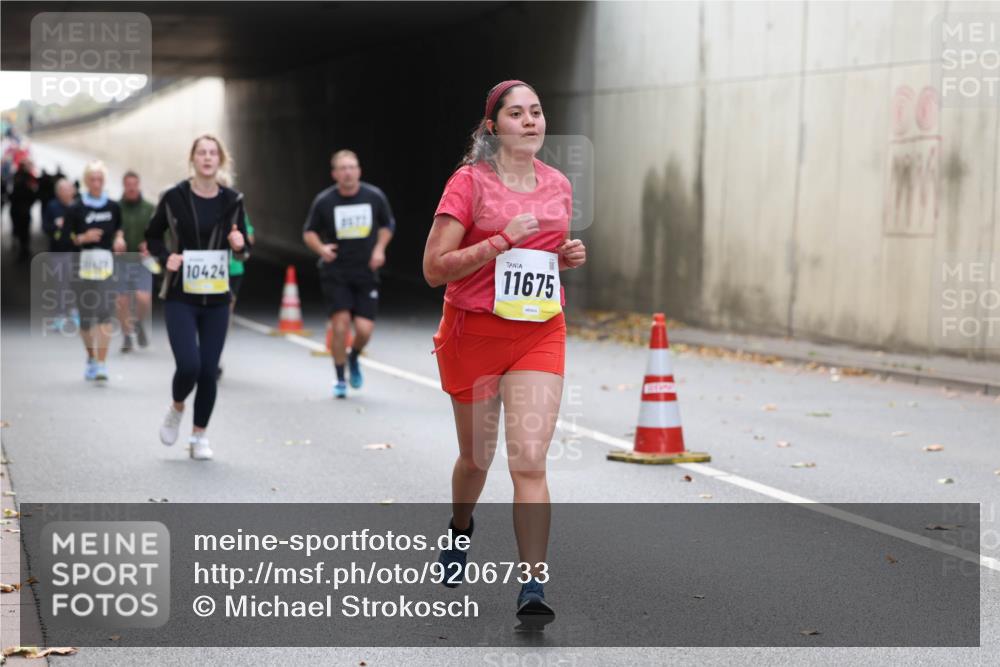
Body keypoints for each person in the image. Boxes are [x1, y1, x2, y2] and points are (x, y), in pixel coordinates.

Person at [422, 80, 586, 624]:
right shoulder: (469, 184)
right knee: (475, 459)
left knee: (530, 460)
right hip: (475, 332)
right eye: (517, 113)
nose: (531, 121)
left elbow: (540, 259)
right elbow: (433, 268)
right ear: (493, 127)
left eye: (537, 112)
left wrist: (564, 256)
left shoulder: (559, 184)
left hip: (539, 330)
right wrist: (500, 240)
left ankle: (532, 586)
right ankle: (460, 527)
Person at [145, 134, 250, 461]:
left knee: (208, 369)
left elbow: (245, 249)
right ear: (193, 159)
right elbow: (152, 236)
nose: (207, 158)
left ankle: (199, 436)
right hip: (181, 294)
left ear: (221, 160)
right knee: (189, 365)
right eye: (201, 153)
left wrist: (238, 244)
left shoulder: (232, 200)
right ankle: (177, 408)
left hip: (217, 297)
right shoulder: (173, 196)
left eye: (212, 153)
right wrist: (166, 258)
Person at [302, 149, 395, 399]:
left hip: (366, 271)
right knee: (341, 326)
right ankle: (340, 377)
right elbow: (309, 231)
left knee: (364, 330)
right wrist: (321, 249)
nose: (347, 172)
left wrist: (379, 249)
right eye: (342, 168)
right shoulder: (325, 201)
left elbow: (388, 225)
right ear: (334, 174)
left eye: (352, 167)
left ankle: (354, 356)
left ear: (359, 171)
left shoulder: (373, 196)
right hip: (337, 272)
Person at [66, 161, 126, 381]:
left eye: (100, 179)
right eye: (92, 179)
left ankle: (102, 363)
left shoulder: (113, 206)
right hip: (81, 266)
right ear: (86, 181)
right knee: (86, 318)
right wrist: (82, 238)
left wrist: (119, 239)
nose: (97, 183)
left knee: (104, 313)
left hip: (106, 266)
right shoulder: (76, 208)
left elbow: (119, 228)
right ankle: (91, 357)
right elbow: (64, 238)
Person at [116, 170, 156, 352]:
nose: (131, 188)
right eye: (128, 185)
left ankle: (138, 323)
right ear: (124, 186)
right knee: (121, 299)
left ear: (138, 185)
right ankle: (127, 336)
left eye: (134, 184)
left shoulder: (150, 208)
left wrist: (150, 244)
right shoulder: (115, 208)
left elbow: (162, 232)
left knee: (143, 297)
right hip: (121, 259)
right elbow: (107, 230)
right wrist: (115, 240)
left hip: (143, 259)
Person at [217, 211, 255, 381]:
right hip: (207, 269)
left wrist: (240, 243)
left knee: (224, 313)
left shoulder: (236, 209)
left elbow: (249, 239)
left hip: (232, 270)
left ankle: (215, 355)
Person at [40, 177, 79, 331]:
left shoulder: (78, 206)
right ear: (58, 192)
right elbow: (45, 227)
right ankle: (60, 315)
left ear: (73, 191)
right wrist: (56, 226)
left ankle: (76, 313)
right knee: (60, 284)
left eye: (68, 189)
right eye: (62, 190)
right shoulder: (52, 206)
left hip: (76, 251)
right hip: (58, 252)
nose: (66, 192)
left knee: (75, 283)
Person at [10, 158, 38, 261]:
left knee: (20, 230)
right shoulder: (26, 178)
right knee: (24, 231)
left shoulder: (18, 177)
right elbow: (33, 195)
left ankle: (22, 248)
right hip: (23, 210)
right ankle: (23, 248)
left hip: (19, 210)